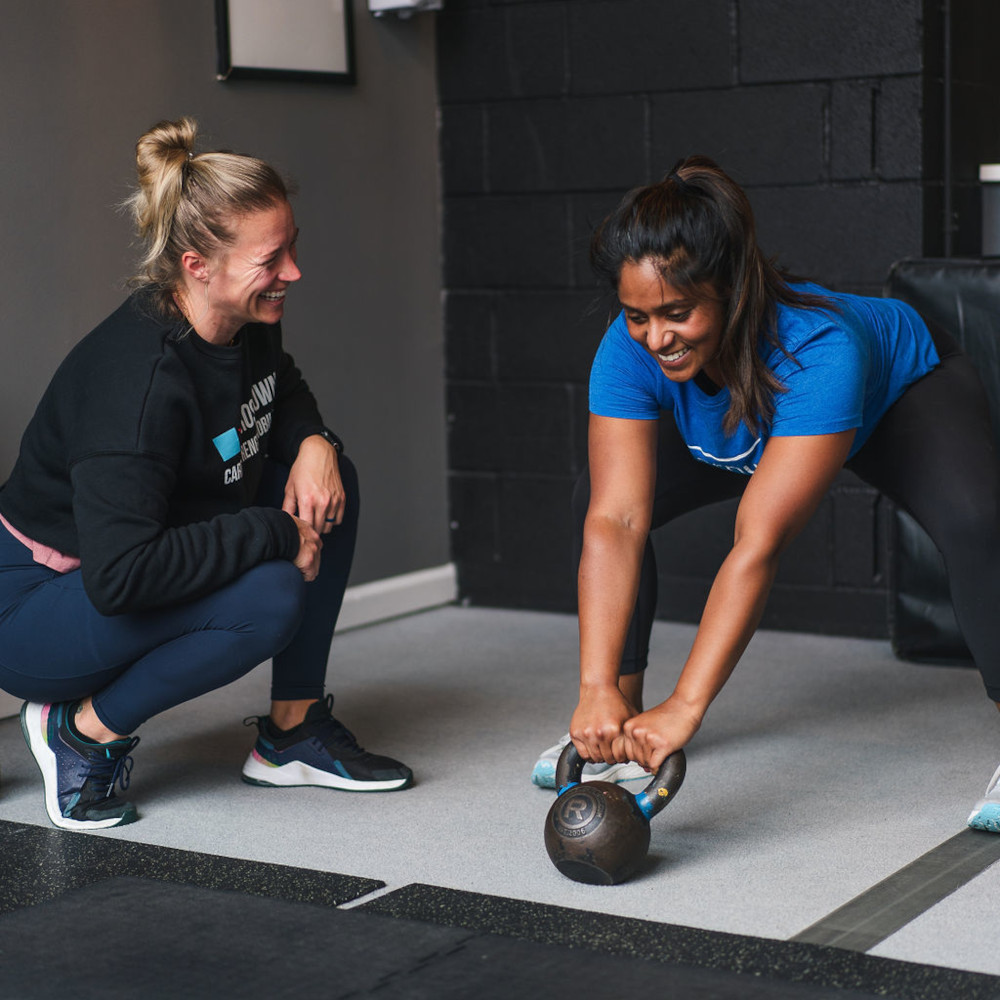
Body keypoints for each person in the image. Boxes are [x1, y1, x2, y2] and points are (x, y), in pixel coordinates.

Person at [531, 155, 1000, 834]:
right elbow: (616, 520)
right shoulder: (631, 348)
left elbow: (758, 545)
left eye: (677, 312)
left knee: (978, 523)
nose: (656, 337)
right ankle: (619, 732)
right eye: (637, 316)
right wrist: (595, 687)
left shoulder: (819, 348)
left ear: (731, 287)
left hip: (900, 396)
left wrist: (687, 706)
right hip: (752, 418)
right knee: (594, 500)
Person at [0, 118, 413, 832]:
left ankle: (292, 733)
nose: (293, 272)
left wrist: (315, 440)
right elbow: (123, 576)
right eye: (271, 259)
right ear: (197, 266)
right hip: (35, 606)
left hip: (118, 565)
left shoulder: (247, 318)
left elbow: (278, 387)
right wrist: (275, 531)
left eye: (292, 247)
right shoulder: (137, 387)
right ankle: (80, 733)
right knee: (269, 595)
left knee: (328, 479)